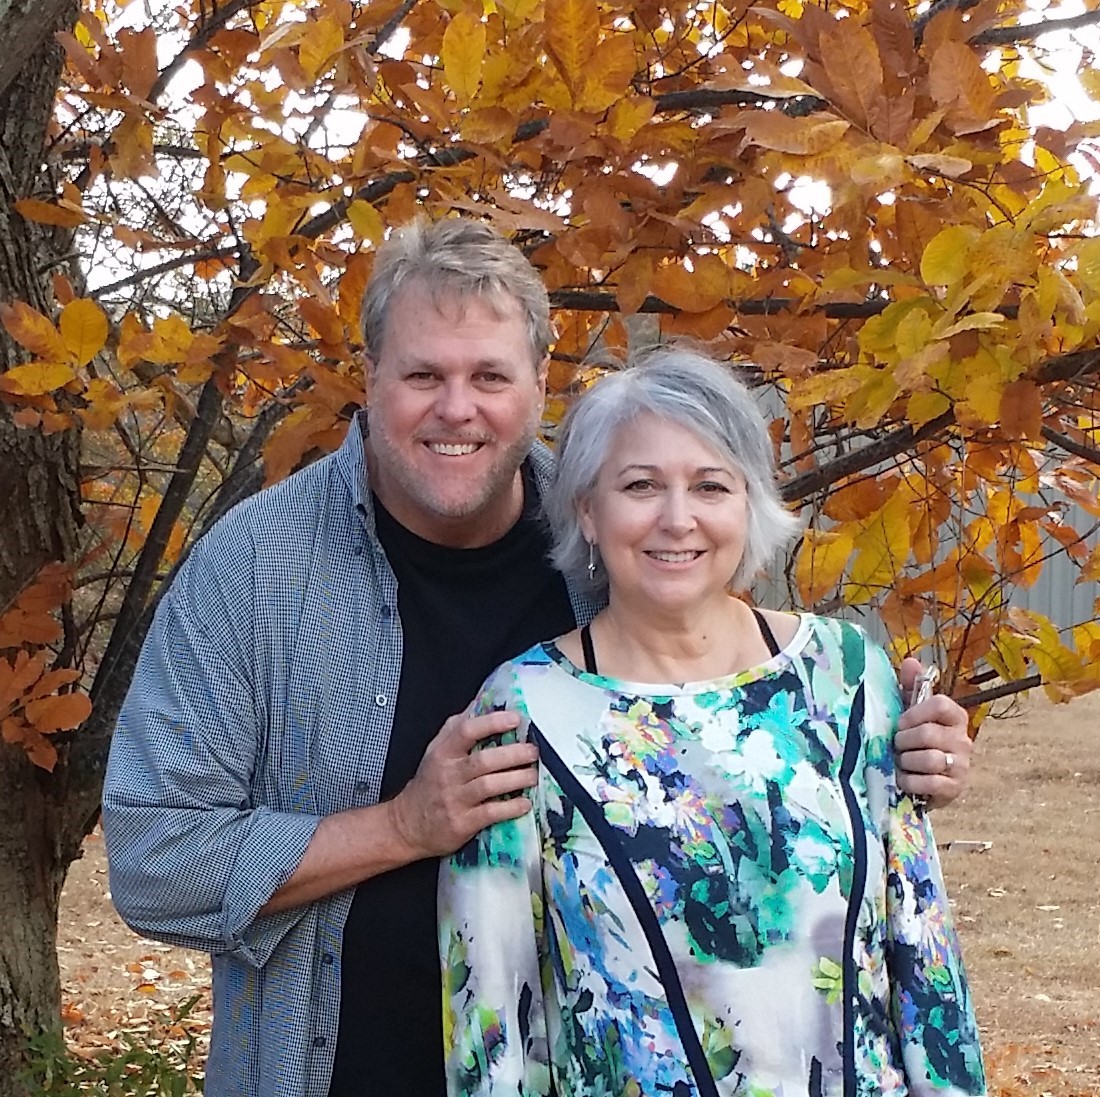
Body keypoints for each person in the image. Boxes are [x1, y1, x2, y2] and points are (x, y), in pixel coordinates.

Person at [102, 217, 975, 1097]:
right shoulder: (256, 570)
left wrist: (896, 741)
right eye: (422, 375)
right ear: (368, 380)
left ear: (538, 385)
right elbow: (154, 860)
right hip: (332, 1069)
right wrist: (401, 826)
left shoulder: (619, 534)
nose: (457, 407)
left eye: (489, 375)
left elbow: (755, 730)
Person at [439, 349, 985, 1097]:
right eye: (640, 486)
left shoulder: (849, 677)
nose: (677, 517)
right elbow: (491, 1013)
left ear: (749, 503)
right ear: (587, 513)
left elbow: (923, 950)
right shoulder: (522, 713)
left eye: (709, 485)